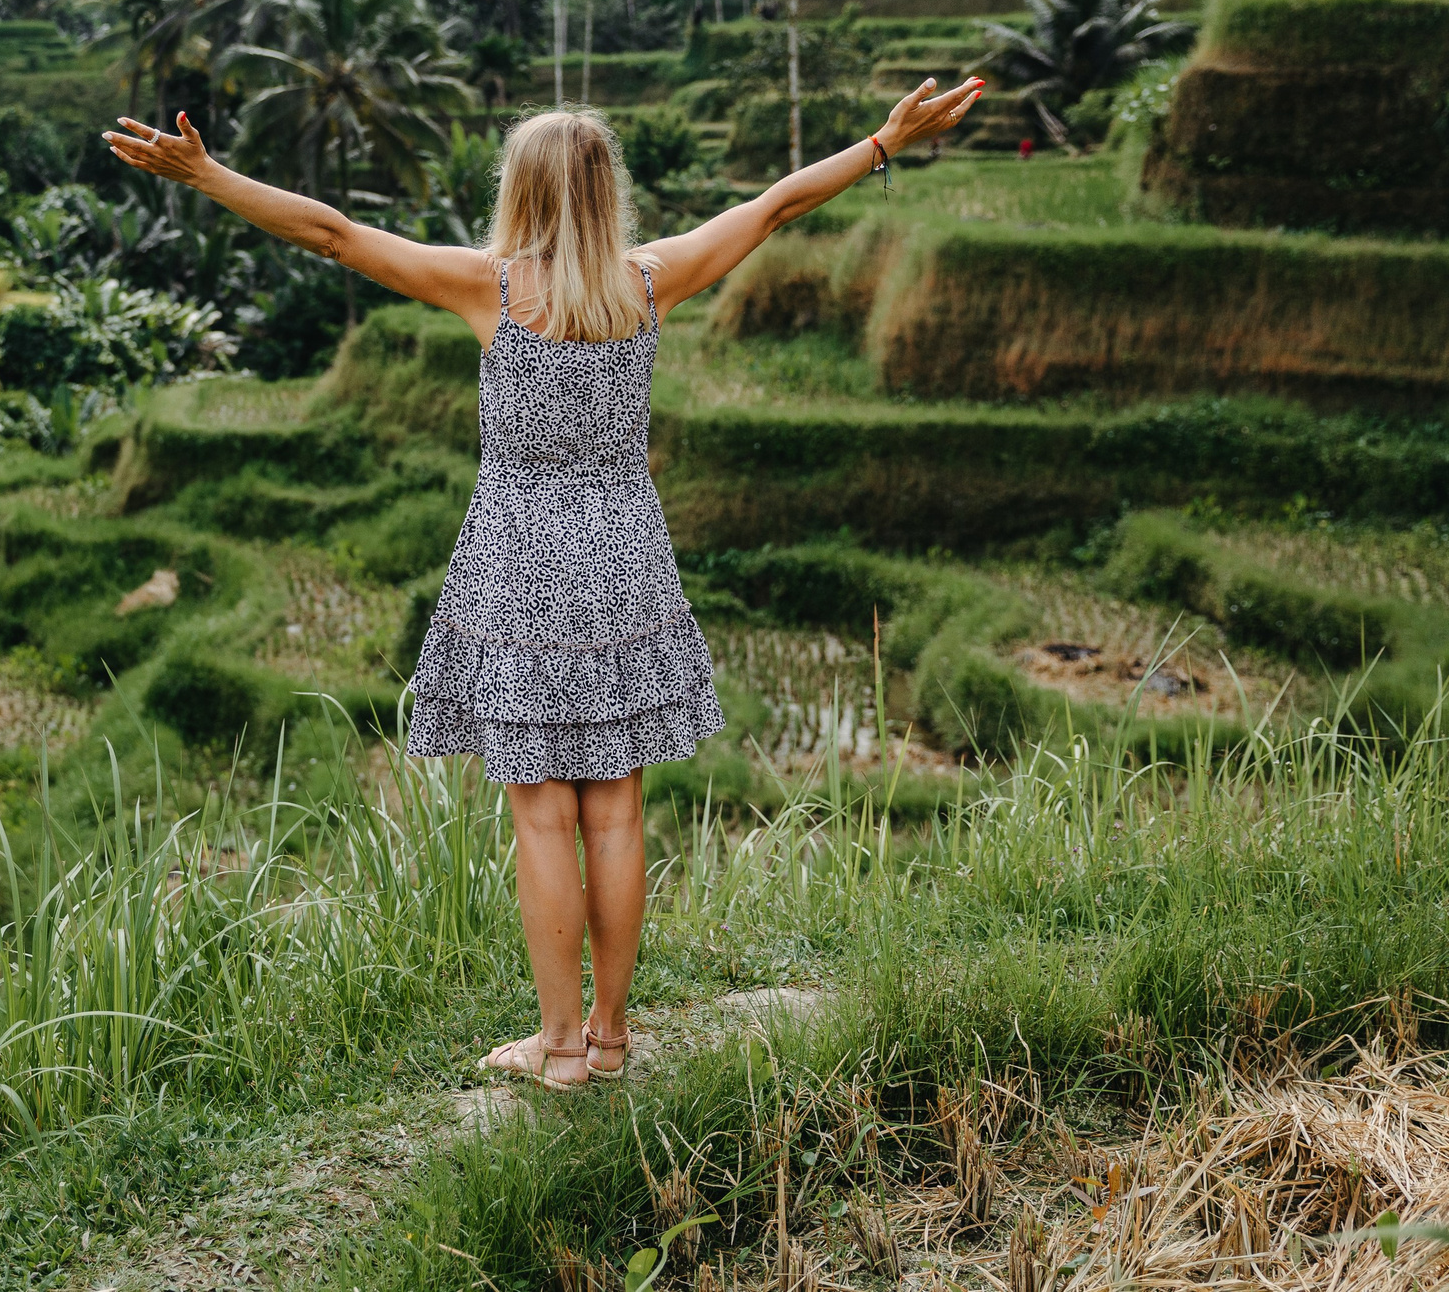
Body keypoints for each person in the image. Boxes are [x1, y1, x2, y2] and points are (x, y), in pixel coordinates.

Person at [99, 77, 985, 1088]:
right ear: (608, 192)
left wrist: (207, 174)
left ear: (519, 189)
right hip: (626, 555)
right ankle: (608, 1038)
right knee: (615, 809)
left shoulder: (492, 287)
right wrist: (881, 140)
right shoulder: (650, 282)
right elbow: (778, 202)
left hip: (519, 559)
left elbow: (335, 235)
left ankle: (558, 1046)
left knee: (539, 816)